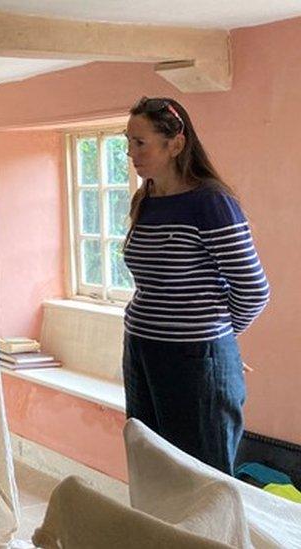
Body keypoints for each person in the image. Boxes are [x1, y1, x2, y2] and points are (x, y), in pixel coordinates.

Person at [122, 96, 270, 475]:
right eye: (128, 142)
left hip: (195, 358)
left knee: (203, 480)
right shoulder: (147, 199)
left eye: (140, 143)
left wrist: (218, 337)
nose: (131, 153)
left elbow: (253, 288)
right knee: (152, 468)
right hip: (142, 350)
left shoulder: (211, 202)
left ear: (175, 143)